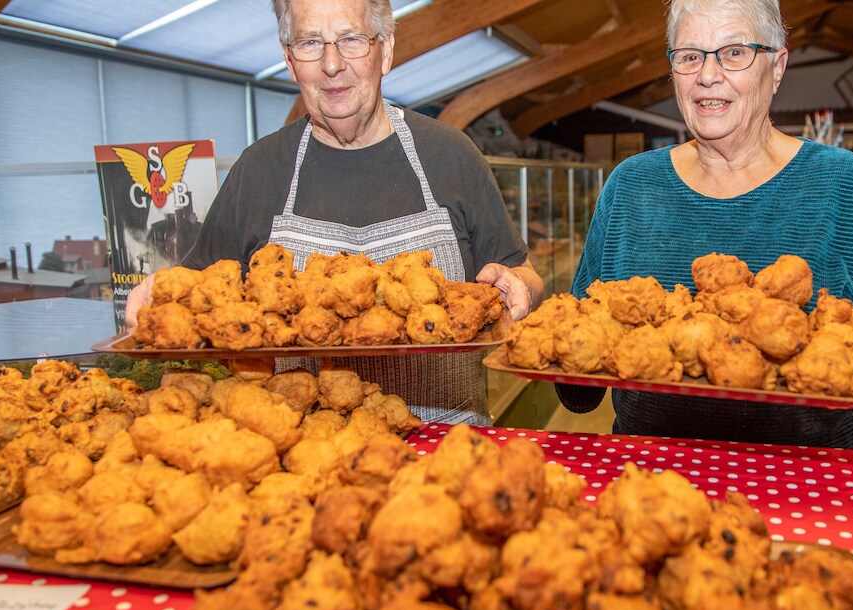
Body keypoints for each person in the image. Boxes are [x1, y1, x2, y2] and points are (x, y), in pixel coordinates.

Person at [127, 0, 544, 426]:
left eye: (350, 40)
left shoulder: (450, 154)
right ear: (290, 60)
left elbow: (521, 272)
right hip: (305, 454)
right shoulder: (259, 169)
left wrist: (520, 286)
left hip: (448, 452)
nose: (331, 64)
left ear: (386, 50)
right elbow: (202, 294)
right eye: (310, 43)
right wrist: (158, 294)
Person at [555, 0, 853, 449]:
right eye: (689, 56)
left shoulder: (847, 184)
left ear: (777, 66)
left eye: (735, 52)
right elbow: (578, 348)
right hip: (653, 478)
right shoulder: (631, 185)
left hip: (810, 480)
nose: (708, 75)